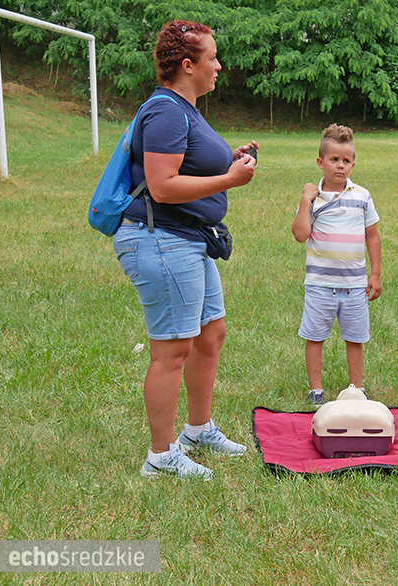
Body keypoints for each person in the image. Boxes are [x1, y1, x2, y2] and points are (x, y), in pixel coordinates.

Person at [113, 20, 258, 480]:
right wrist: (229, 179)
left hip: (188, 240)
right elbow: (161, 184)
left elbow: (186, 164)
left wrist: (227, 160)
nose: (218, 65)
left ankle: (197, 430)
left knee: (210, 335)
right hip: (160, 240)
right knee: (171, 351)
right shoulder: (167, 111)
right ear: (187, 64)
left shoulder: (185, 109)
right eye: (212, 57)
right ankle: (160, 456)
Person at [292, 124, 382, 405]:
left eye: (346, 161)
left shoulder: (362, 196)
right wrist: (305, 200)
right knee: (315, 336)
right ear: (321, 162)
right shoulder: (313, 198)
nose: (340, 166)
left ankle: (356, 387)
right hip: (320, 285)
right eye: (334, 160)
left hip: (354, 285)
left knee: (355, 338)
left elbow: (372, 235)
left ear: (353, 163)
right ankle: (315, 389)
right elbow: (300, 234)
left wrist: (376, 273)